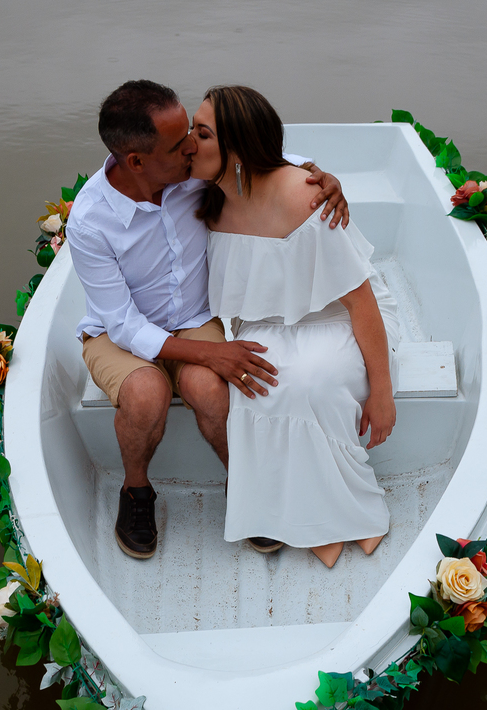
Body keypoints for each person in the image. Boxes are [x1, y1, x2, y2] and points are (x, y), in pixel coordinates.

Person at [65, 80, 349, 560]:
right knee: (146, 394)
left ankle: (245, 484)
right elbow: (124, 325)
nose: (192, 148)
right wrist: (211, 353)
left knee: (212, 390)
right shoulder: (90, 222)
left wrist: (318, 175)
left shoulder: (192, 173)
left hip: (193, 319)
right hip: (115, 336)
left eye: (191, 134)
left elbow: (256, 159)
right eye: (178, 144)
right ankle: (136, 491)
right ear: (137, 162)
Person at [191, 86, 401, 568]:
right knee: (259, 387)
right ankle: (303, 517)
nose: (188, 143)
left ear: (237, 149)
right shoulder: (203, 192)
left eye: (202, 133)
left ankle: (346, 512)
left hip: (338, 314)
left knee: (313, 383)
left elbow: (361, 301)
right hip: (265, 320)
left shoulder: (305, 197)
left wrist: (383, 391)